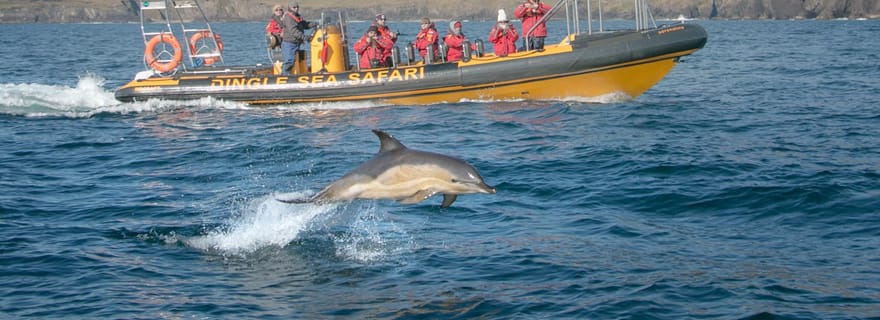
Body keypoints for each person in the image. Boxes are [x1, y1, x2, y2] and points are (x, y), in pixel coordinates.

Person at [280, 2, 317, 75]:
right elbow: (294, 31)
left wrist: (315, 24)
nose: (296, 9)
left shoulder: (297, 16)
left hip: (296, 43)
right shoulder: (288, 18)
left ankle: (290, 75)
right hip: (289, 43)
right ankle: (284, 76)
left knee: (296, 60)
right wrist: (304, 37)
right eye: (294, 7)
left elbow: (305, 24)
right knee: (288, 62)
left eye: (297, 7)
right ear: (290, 8)